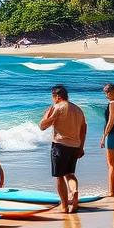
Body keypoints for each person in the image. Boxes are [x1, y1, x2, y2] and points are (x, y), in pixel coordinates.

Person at [39, 84, 87, 214]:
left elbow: (42, 126)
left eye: (53, 97)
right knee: (70, 174)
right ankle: (74, 191)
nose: (52, 100)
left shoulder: (57, 107)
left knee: (59, 176)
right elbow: (84, 129)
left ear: (57, 96)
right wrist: (81, 147)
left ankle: (65, 206)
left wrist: (47, 115)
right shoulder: (78, 109)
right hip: (75, 146)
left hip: (60, 146)